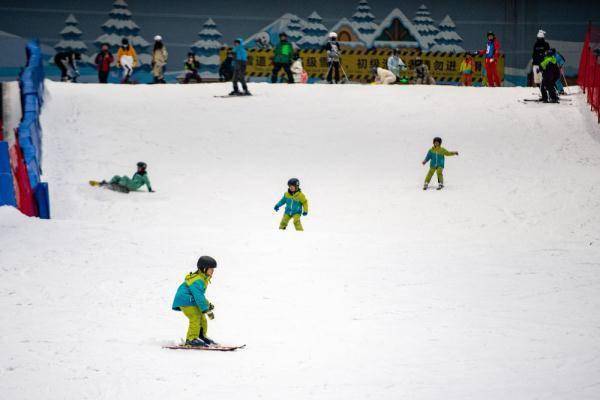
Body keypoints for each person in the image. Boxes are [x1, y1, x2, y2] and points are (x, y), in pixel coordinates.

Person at [171, 256, 217, 347]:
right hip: (185, 300)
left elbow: (200, 296)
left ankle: (201, 336)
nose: (213, 271)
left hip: (190, 300)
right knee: (195, 317)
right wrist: (206, 309)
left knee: (202, 318)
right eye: (211, 269)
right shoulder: (198, 280)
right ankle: (191, 339)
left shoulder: (202, 278)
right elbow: (198, 296)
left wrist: (207, 305)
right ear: (204, 269)